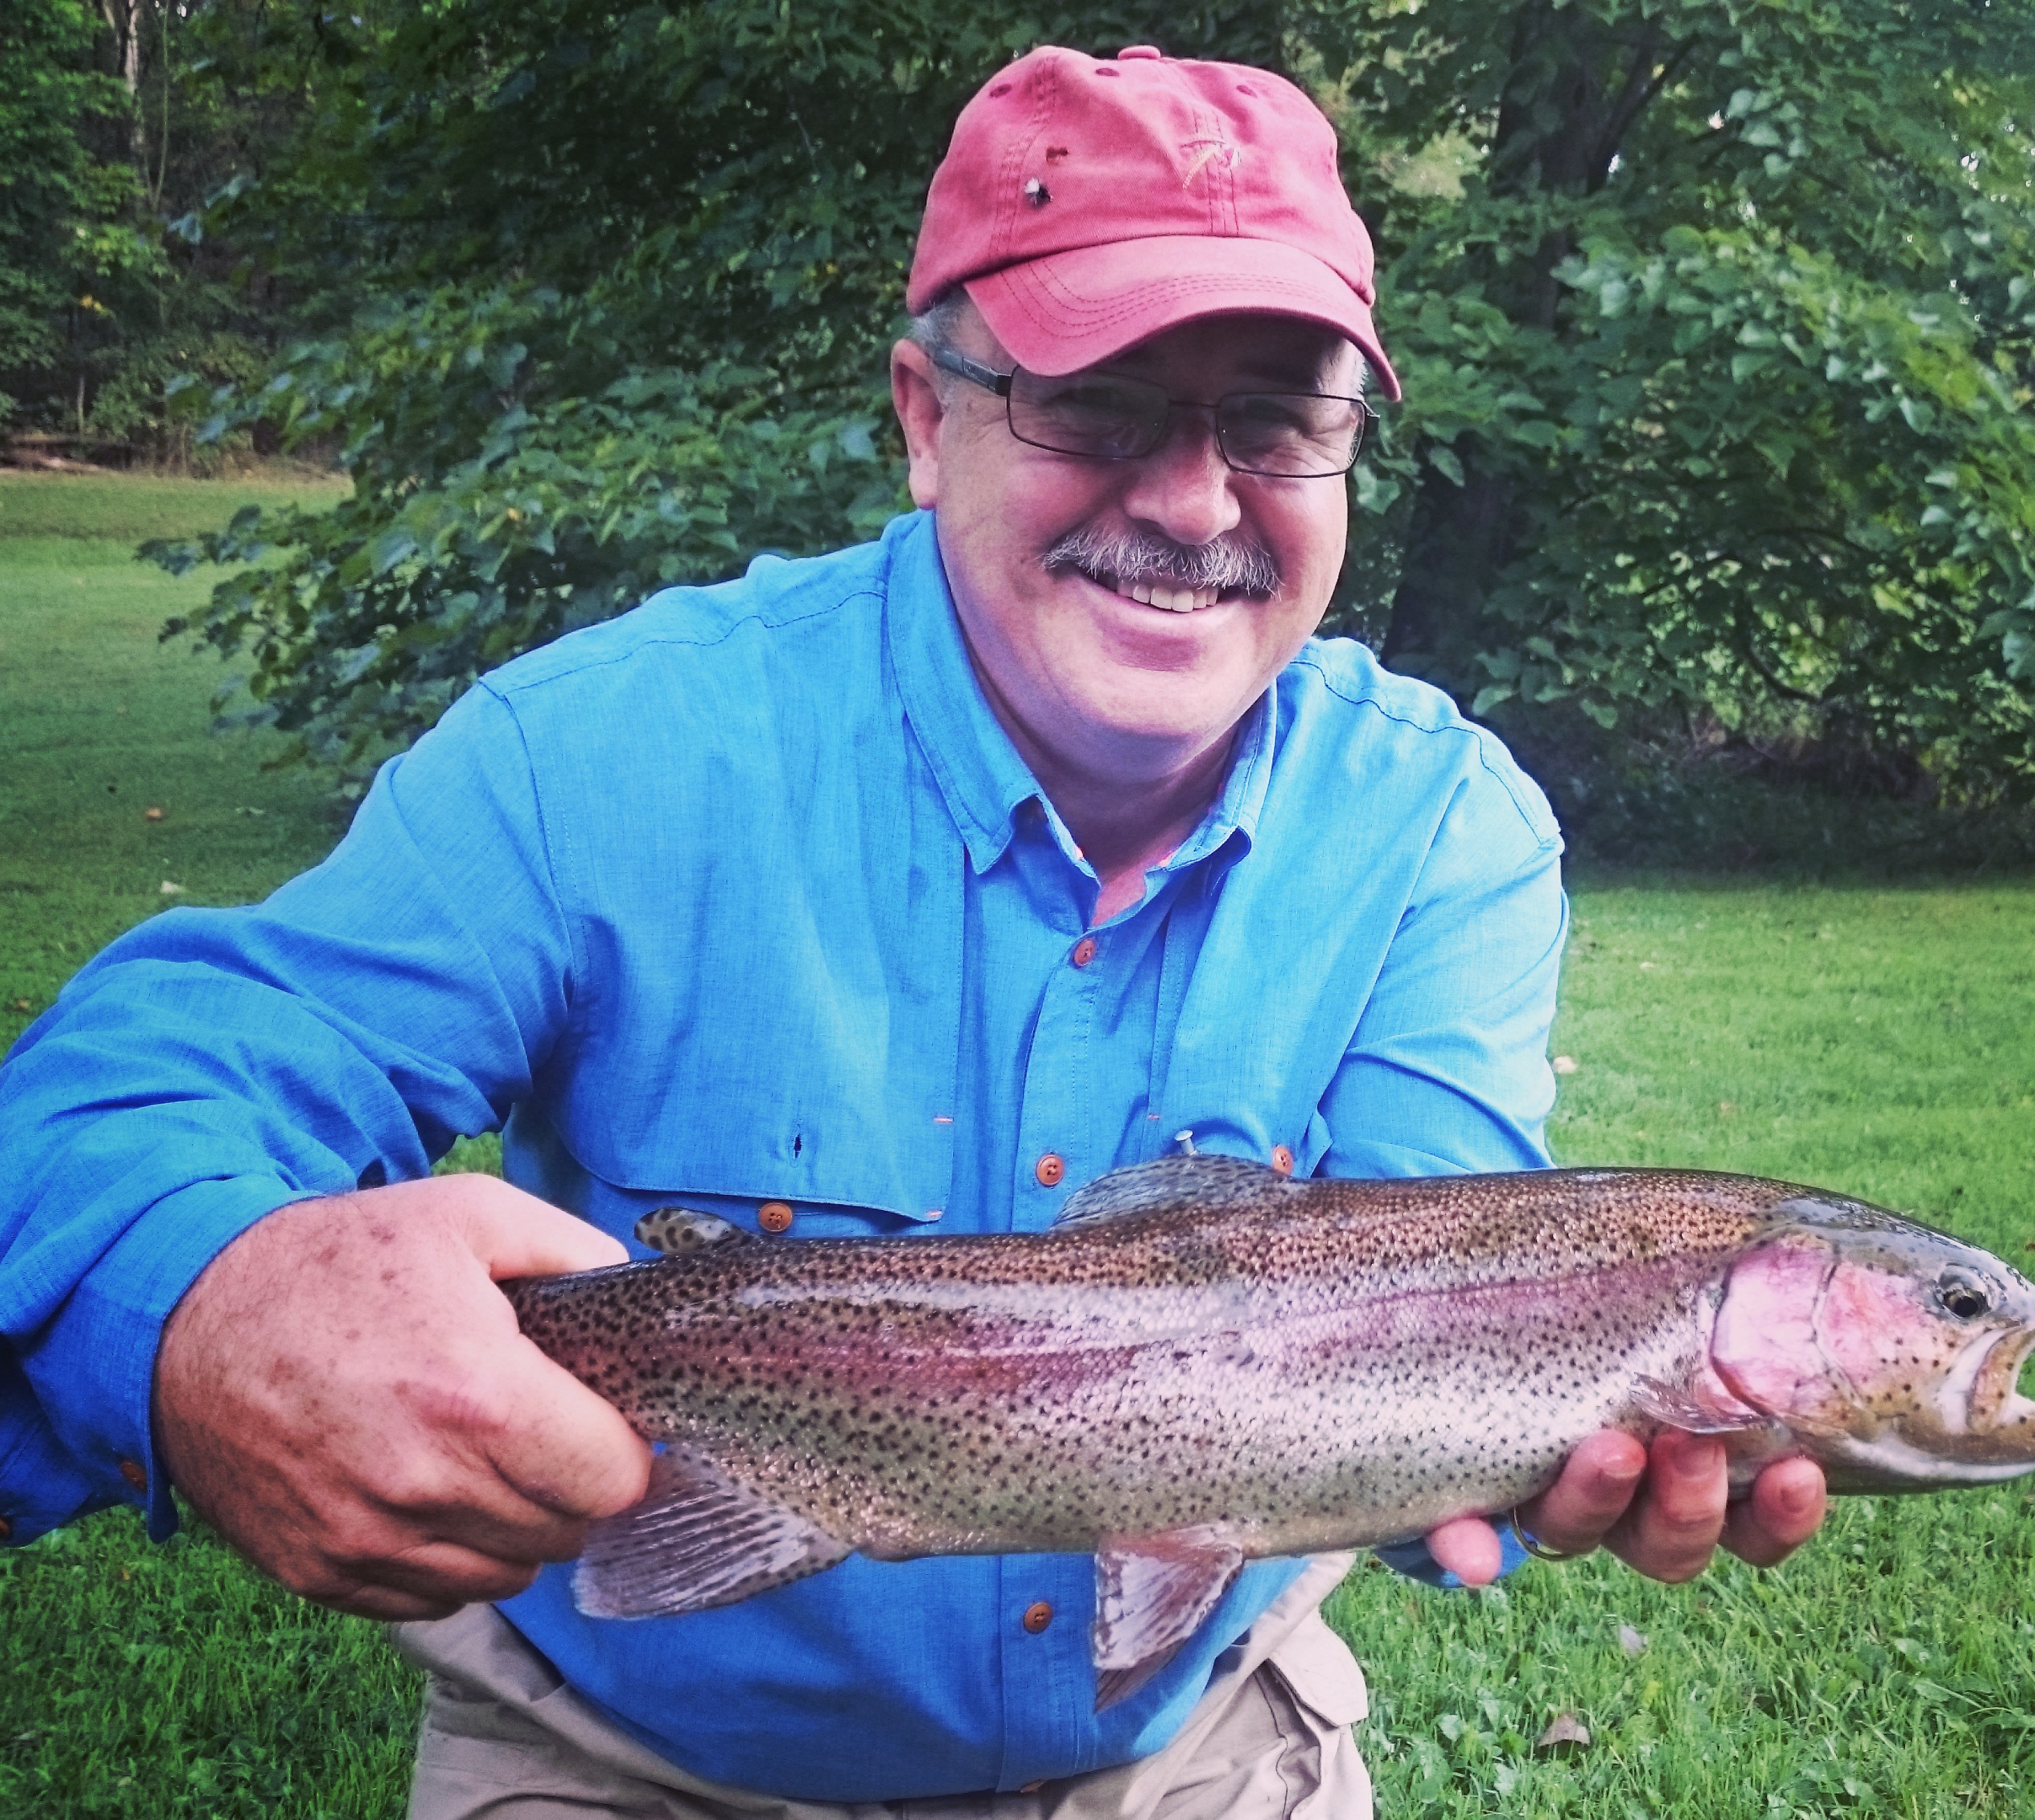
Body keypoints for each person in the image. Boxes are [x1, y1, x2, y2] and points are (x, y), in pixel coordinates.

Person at [0, 42, 1825, 1819]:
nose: (1192, 502)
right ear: (918, 418)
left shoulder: (1443, 829)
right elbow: (128, 1096)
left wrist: (1565, 1444)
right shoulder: (605, 752)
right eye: (1093, 406)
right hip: (629, 1768)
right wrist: (193, 1317)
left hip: (1198, 1758)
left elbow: (1429, 1358)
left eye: (1275, 419)